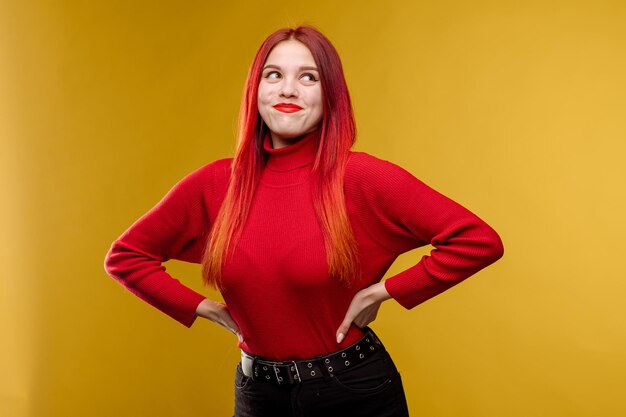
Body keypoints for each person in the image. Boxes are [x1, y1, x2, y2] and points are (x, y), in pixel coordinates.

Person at [104, 25, 504, 417]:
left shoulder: (362, 177)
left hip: (351, 389)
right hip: (257, 394)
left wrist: (382, 292)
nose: (287, 89)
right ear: (255, 91)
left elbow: (478, 241)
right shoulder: (214, 183)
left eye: (307, 77)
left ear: (329, 95)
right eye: (273, 75)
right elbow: (126, 257)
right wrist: (203, 307)